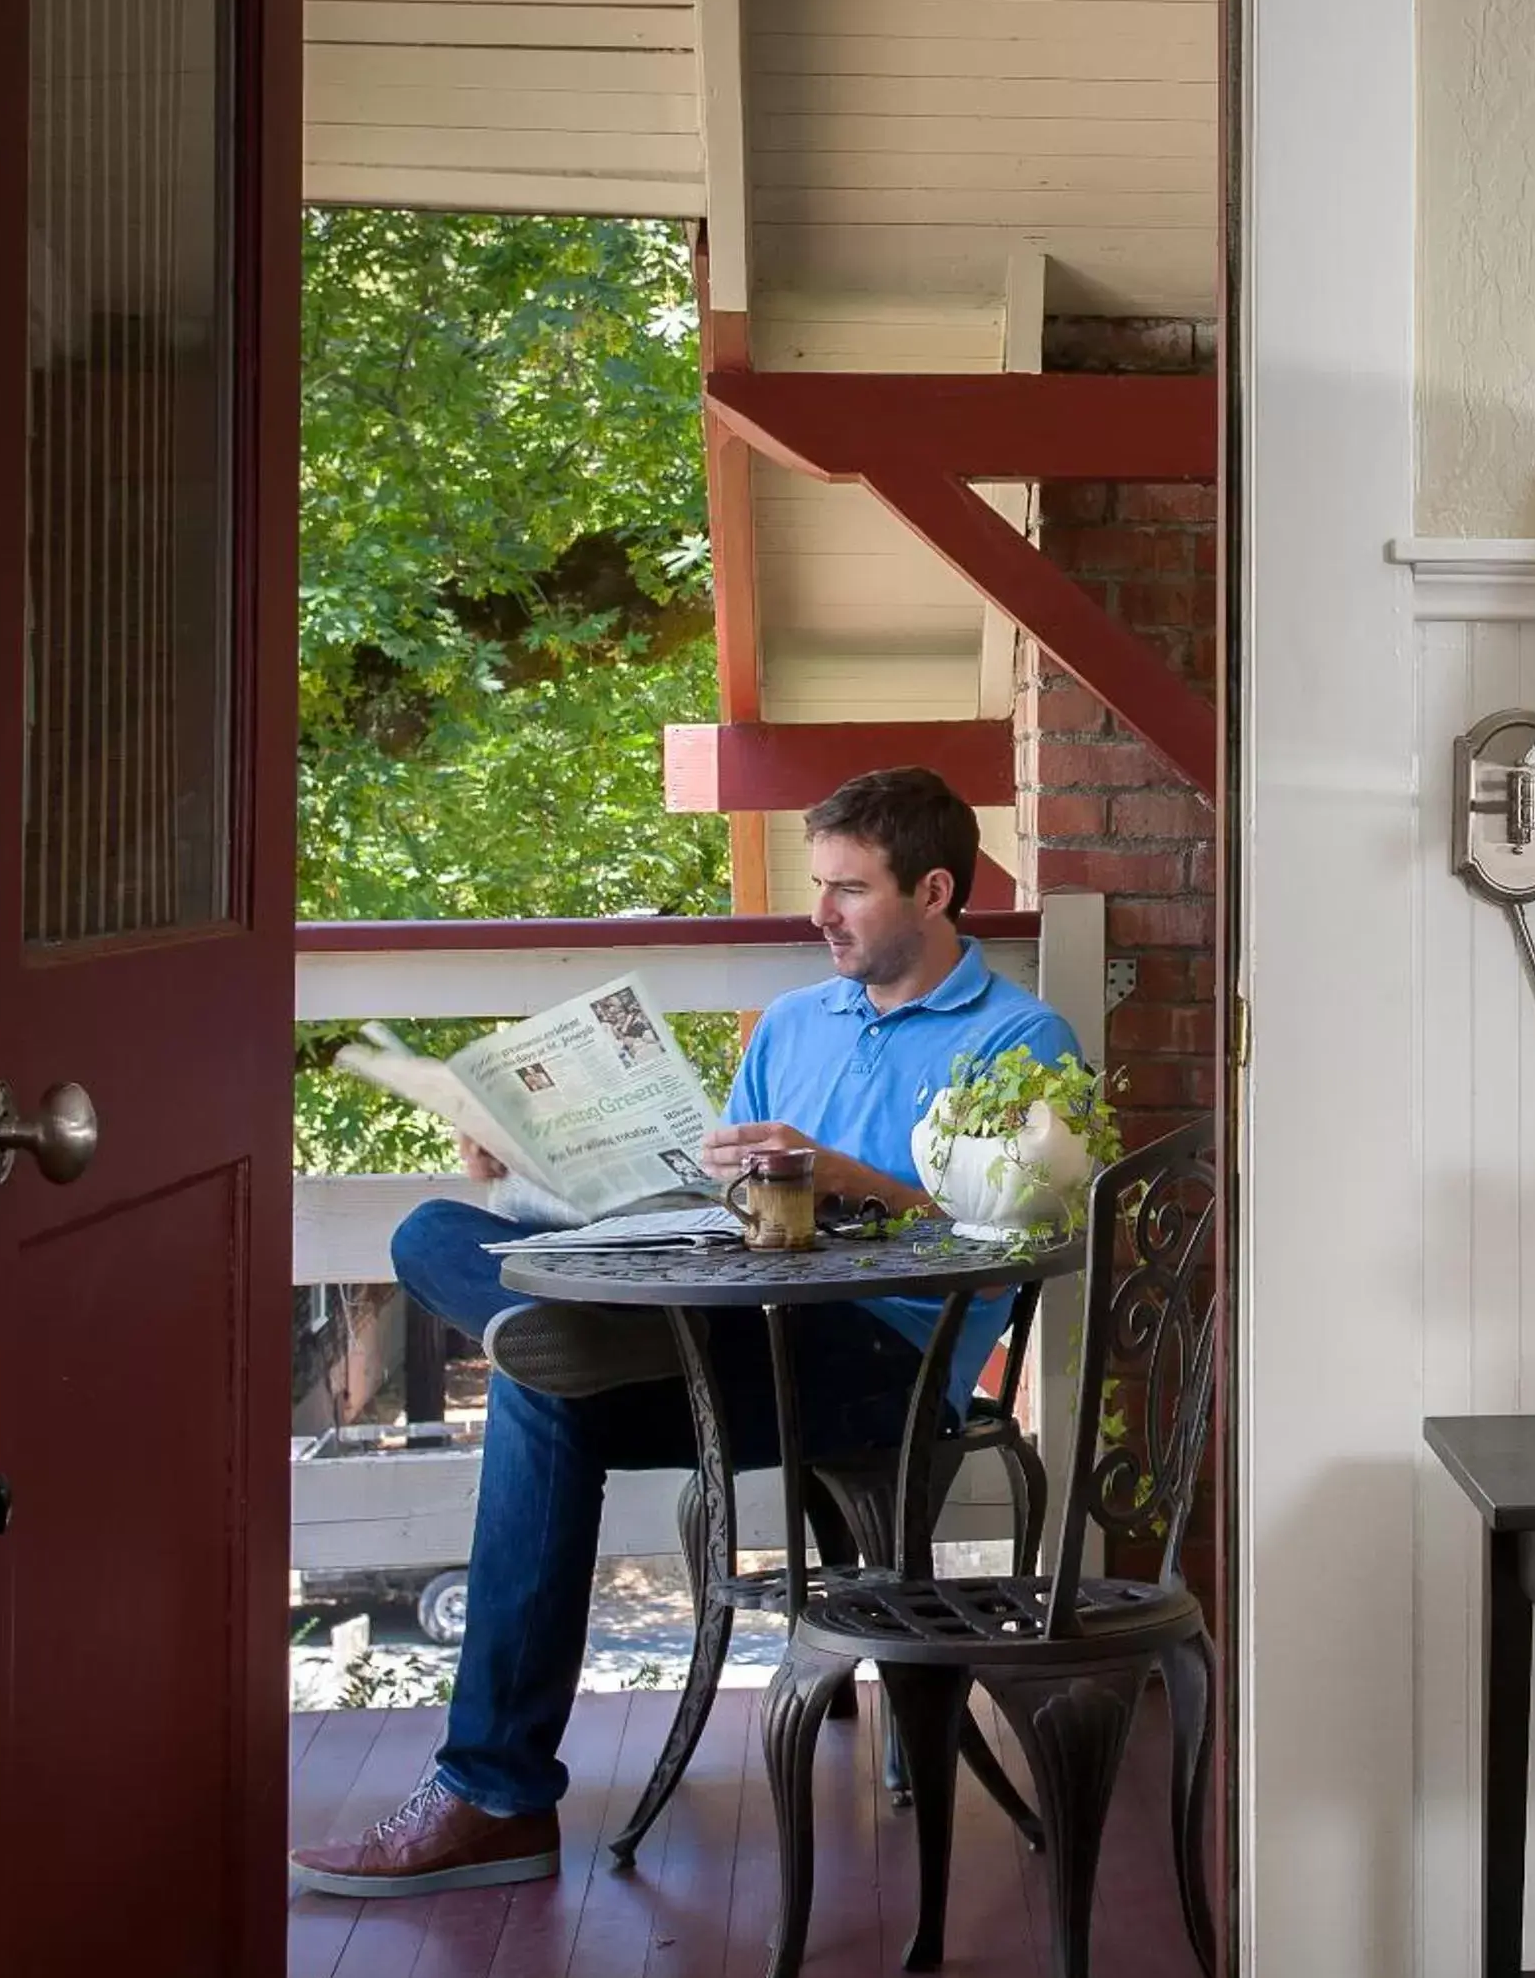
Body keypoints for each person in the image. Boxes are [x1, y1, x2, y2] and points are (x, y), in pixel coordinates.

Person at [290, 767, 1080, 1898]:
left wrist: (852, 1180)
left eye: (848, 890)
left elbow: (1016, 1232)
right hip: (734, 1321)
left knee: (540, 1391)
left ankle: (494, 1797)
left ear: (936, 890)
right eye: (819, 886)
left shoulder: (1019, 1041)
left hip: (883, 1356)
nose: (819, 915)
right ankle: (572, 1330)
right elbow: (706, 1205)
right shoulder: (799, 1023)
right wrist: (534, 1175)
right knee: (433, 1228)